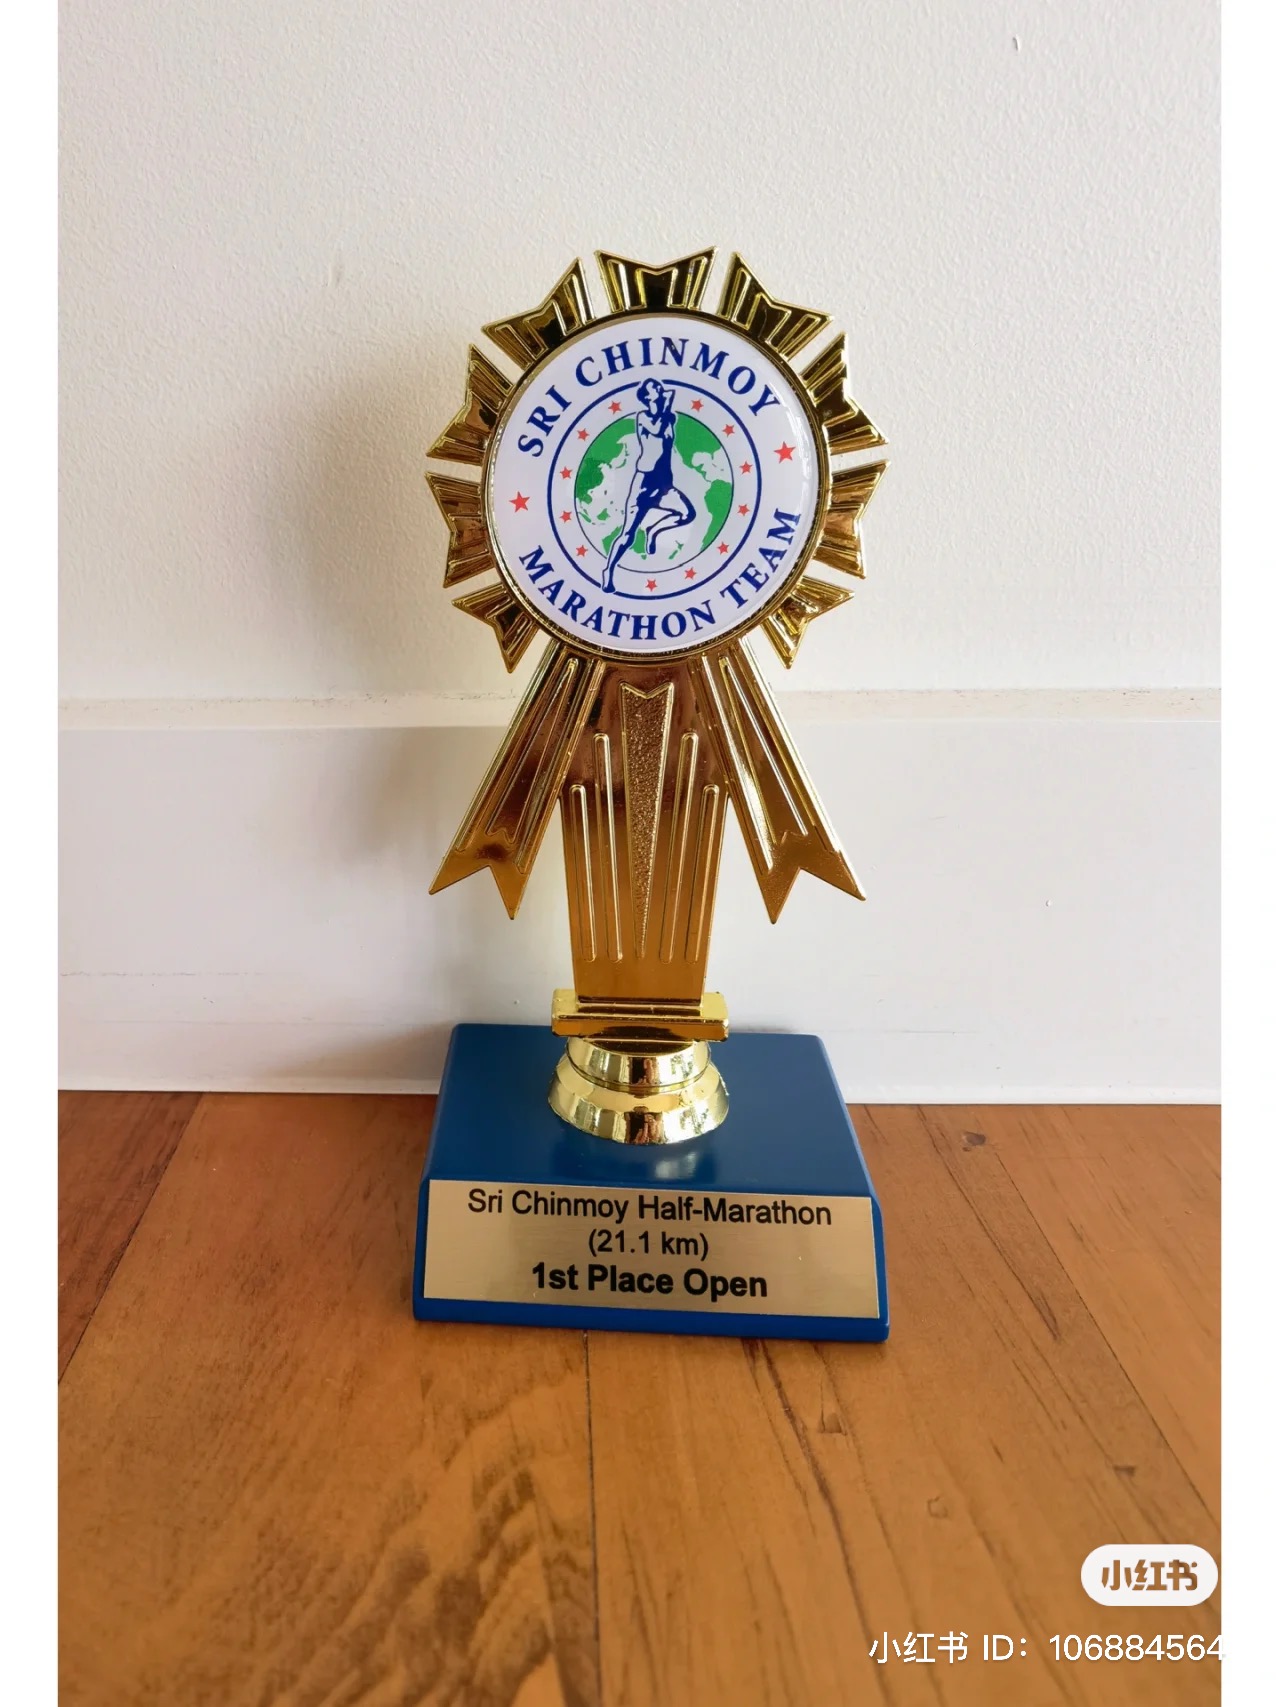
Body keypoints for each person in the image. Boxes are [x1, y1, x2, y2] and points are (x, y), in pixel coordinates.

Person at [601, 380, 696, 592]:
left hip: (664, 485)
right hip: (644, 484)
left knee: (688, 514)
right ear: (647, 397)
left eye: (660, 389)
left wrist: (666, 407)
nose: (661, 391)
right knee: (628, 535)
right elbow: (656, 428)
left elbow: (665, 427)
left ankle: (654, 530)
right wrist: (666, 406)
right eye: (656, 390)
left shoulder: (670, 418)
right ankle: (609, 571)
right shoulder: (643, 418)